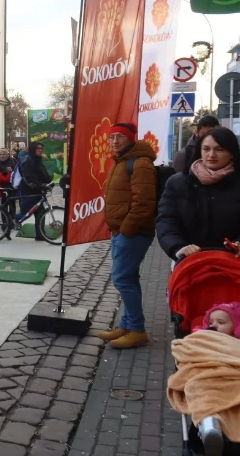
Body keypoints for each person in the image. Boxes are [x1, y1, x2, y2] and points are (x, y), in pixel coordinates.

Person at [98, 122, 157, 349]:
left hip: (133, 233)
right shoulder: (121, 161)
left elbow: (144, 203)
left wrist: (126, 229)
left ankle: (137, 330)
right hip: (121, 231)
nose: (114, 142)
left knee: (122, 279)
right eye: (111, 137)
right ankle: (128, 324)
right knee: (130, 278)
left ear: (131, 138)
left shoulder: (140, 163)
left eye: (119, 137)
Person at [157, 128, 240, 260]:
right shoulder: (177, 182)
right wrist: (178, 247)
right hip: (189, 261)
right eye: (206, 149)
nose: (211, 154)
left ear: (232, 153)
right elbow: (166, 220)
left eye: (219, 149)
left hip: (232, 262)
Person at [18, 142, 53, 238]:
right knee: (24, 215)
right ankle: (9, 224)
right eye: (38, 148)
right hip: (29, 192)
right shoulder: (27, 160)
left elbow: (42, 173)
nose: (40, 150)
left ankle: (40, 235)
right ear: (33, 149)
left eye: (41, 148)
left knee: (40, 213)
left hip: (37, 192)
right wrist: (41, 185)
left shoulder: (37, 160)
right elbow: (29, 178)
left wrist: (49, 181)